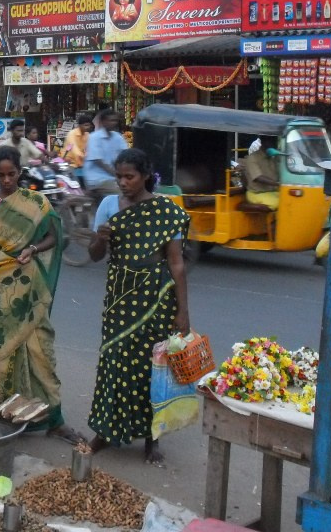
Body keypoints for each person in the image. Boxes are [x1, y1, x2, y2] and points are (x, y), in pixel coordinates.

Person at [86, 148, 190, 463]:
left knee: (151, 368)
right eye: (118, 176)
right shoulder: (107, 206)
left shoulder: (165, 211)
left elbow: (176, 264)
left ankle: (151, 439)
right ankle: (106, 431)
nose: (122, 182)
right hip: (119, 297)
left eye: (129, 176)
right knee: (114, 361)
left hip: (156, 297)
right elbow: (94, 255)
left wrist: (183, 311)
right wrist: (101, 239)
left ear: (145, 176)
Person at [0, 145, 81, 443]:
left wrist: (32, 248)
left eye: (11, 174)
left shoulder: (37, 202)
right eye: (0, 175)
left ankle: (53, 419)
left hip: (30, 292)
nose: (6, 180)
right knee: (0, 357)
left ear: (20, 172)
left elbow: (53, 237)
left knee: (41, 352)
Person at [83, 109, 128, 202]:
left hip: (112, 177)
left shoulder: (118, 137)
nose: (114, 123)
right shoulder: (94, 138)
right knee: (122, 194)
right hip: (97, 179)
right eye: (111, 120)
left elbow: (126, 155)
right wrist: (117, 174)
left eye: (115, 120)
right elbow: (99, 162)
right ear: (103, 122)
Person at [242, 135, 280, 210]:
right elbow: (258, 178)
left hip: (273, 192)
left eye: (276, 142)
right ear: (263, 142)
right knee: (279, 203)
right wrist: (277, 183)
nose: (275, 145)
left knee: (293, 200)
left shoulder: (273, 157)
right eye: (272, 142)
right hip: (256, 194)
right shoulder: (253, 158)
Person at [62, 114, 93, 180]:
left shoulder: (87, 135)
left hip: (81, 163)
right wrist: (86, 158)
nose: (88, 127)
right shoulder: (71, 134)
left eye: (89, 125)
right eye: (85, 125)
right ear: (80, 125)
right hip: (70, 163)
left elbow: (90, 148)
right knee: (75, 182)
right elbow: (75, 150)